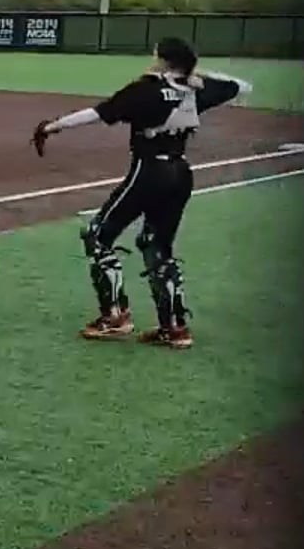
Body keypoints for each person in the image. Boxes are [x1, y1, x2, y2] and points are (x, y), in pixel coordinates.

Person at [32, 37, 252, 349]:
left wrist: (52, 127)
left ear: (163, 60)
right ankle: (175, 327)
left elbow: (98, 113)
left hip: (149, 172)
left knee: (98, 235)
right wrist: (195, 76)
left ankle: (115, 317)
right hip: (181, 173)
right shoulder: (196, 89)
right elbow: (242, 86)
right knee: (157, 245)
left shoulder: (145, 90)